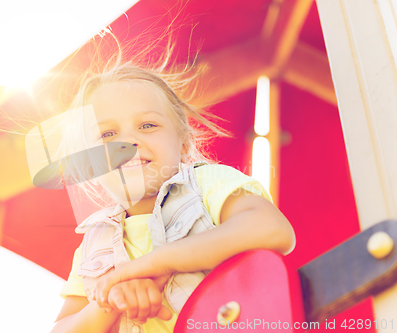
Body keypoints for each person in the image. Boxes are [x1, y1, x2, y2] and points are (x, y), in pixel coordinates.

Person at [49, 38, 296, 333]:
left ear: (183, 143)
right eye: (107, 134)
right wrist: (112, 299)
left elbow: (272, 229)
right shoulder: (92, 243)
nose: (128, 142)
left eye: (148, 125)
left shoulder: (207, 184)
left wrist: (157, 264)